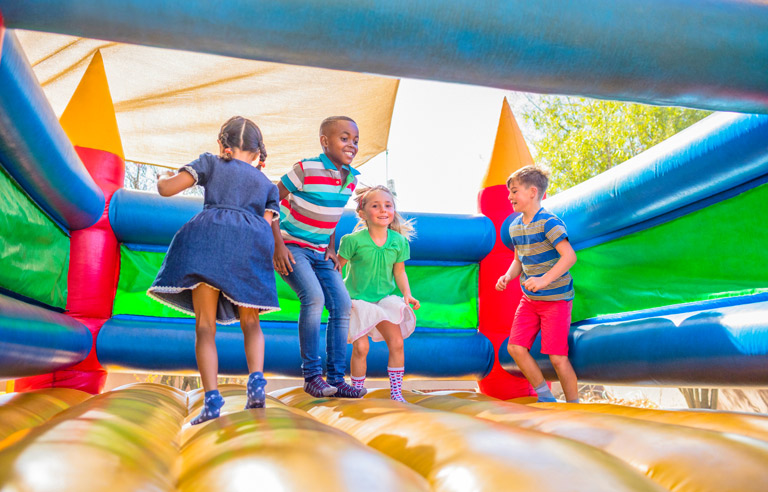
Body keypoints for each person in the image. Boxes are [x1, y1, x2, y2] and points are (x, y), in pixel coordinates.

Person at [148, 116, 280, 424]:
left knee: (205, 326)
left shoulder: (211, 162)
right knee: (251, 322)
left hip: (207, 241)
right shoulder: (266, 184)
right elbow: (269, 221)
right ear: (258, 152)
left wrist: (161, 175)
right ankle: (257, 380)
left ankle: (211, 399)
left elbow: (167, 190)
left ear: (222, 144)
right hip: (251, 244)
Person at [271, 116, 365, 398]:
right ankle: (312, 376)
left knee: (342, 304)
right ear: (325, 141)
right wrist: (278, 245)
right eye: (344, 138)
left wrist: (332, 249)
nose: (352, 145)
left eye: (355, 140)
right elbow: (270, 200)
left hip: (320, 251)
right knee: (313, 298)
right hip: (291, 245)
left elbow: (331, 217)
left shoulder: (351, 179)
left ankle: (335, 379)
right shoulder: (305, 168)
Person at [495, 165, 579, 403]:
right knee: (515, 348)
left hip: (556, 300)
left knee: (557, 358)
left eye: (514, 191)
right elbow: (518, 261)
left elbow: (569, 257)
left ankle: (574, 407)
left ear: (532, 192)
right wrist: (508, 276)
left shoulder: (549, 223)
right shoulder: (515, 227)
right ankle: (545, 395)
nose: (509, 197)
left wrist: (544, 280)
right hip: (530, 301)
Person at [337, 185, 419, 402]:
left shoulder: (398, 241)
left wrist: (407, 295)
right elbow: (337, 269)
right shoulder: (352, 241)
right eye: (376, 206)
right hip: (357, 300)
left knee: (397, 342)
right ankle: (356, 390)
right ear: (363, 213)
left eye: (388, 205)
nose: (383, 210)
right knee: (361, 347)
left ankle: (396, 393)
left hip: (383, 299)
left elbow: (399, 271)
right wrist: (335, 295)